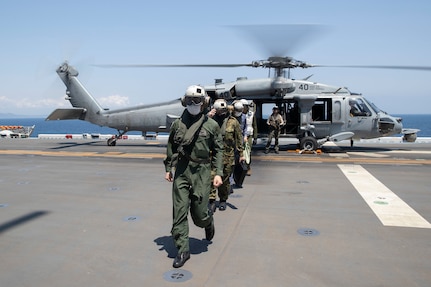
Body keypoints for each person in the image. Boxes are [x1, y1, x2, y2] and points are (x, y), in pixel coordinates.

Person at [164, 85, 224, 268]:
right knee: (179, 211)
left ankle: (208, 222)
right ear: (184, 101)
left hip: (202, 172)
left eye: (197, 100)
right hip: (182, 170)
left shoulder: (211, 125)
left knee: (199, 214)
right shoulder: (177, 124)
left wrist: (218, 173)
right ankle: (183, 250)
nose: (193, 103)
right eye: (189, 100)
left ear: (204, 102)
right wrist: (169, 168)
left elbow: (219, 150)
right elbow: (171, 147)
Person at [208, 99, 244, 212]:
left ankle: (223, 199)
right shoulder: (210, 120)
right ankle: (211, 200)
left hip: (228, 156)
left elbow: (239, 139)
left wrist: (241, 154)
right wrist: (208, 117)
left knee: (225, 179)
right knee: (211, 178)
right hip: (212, 155)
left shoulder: (233, 122)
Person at [240, 99, 257, 175]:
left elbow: (255, 126)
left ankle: (248, 167)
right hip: (240, 135)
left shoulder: (251, 114)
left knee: (247, 152)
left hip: (249, 135)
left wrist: (255, 137)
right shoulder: (237, 114)